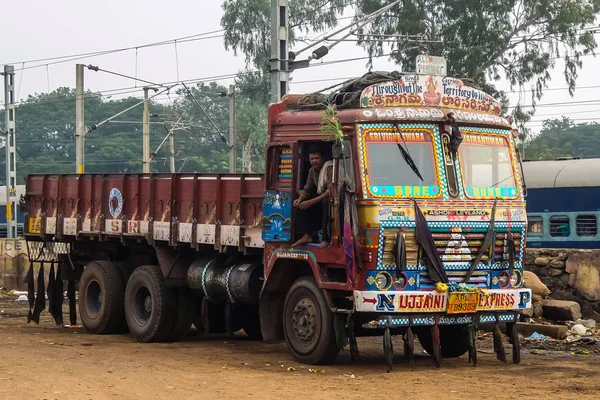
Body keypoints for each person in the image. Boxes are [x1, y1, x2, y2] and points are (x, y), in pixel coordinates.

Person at [292, 145, 333, 248]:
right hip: (320, 198)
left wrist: (311, 202)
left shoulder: (330, 168)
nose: (314, 161)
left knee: (325, 202)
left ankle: (326, 238)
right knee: (300, 205)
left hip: (331, 200)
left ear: (323, 158)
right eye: (311, 159)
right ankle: (306, 235)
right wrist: (299, 199)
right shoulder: (312, 171)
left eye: (316, 158)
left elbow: (330, 191)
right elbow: (307, 189)